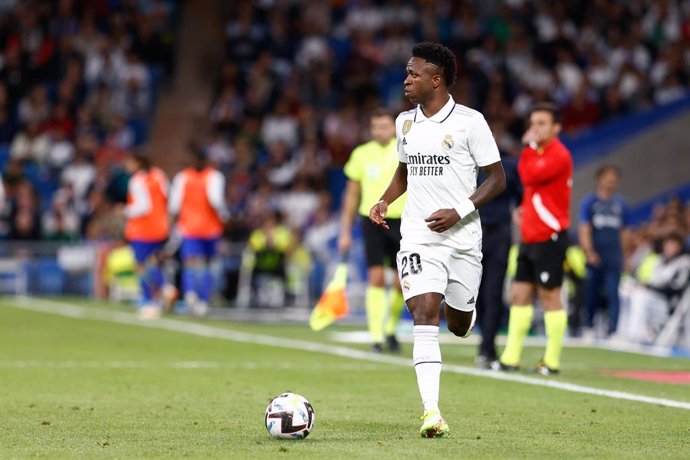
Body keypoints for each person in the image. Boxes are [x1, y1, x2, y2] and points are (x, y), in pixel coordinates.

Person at [369, 42, 505, 438]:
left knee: (459, 324)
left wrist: (459, 211)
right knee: (424, 311)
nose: (406, 79)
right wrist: (384, 200)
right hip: (417, 236)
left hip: (463, 238)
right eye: (407, 73)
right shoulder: (404, 123)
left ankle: (465, 311)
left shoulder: (470, 122)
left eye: (413, 73)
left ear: (437, 78)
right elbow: (404, 171)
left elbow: (497, 179)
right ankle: (432, 412)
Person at [494, 102, 573, 376]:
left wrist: (527, 148)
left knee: (550, 297)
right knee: (519, 295)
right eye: (533, 123)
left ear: (556, 128)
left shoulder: (558, 155)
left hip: (549, 238)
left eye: (541, 123)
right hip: (530, 236)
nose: (535, 128)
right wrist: (525, 211)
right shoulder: (539, 153)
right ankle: (510, 358)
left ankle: (552, 361)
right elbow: (537, 192)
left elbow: (527, 175)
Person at [338, 108, 407, 353]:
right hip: (371, 221)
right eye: (376, 126)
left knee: (402, 282)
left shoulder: (405, 149)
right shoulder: (361, 154)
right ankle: (377, 336)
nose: (381, 131)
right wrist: (345, 231)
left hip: (403, 220)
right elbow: (351, 194)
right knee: (376, 278)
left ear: (394, 128)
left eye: (385, 126)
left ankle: (390, 328)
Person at [474, 150, 522, 369]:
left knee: (493, 291)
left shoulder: (509, 166)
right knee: (476, 293)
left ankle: (487, 344)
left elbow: (521, 196)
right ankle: (486, 342)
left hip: (499, 234)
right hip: (473, 233)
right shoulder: (468, 163)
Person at [169, 144, 228, 316]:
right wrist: (226, 217)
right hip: (209, 228)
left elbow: (174, 204)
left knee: (192, 263)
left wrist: (172, 224)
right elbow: (216, 201)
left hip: (190, 228)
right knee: (207, 264)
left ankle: (191, 295)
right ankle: (201, 300)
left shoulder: (183, 177)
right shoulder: (215, 176)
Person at [578, 165, 631, 338]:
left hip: (613, 257)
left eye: (614, 179)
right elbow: (584, 228)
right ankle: (588, 326)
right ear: (599, 179)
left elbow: (624, 232)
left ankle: (613, 331)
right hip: (595, 256)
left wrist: (625, 256)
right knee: (591, 293)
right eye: (608, 178)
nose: (611, 182)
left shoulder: (621, 204)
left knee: (613, 293)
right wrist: (589, 251)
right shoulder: (590, 202)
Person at [122, 153, 173, 319]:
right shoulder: (159, 175)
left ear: (137, 162)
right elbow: (167, 197)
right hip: (160, 227)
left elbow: (143, 206)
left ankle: (151, 300)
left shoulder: (137, 180)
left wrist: (124, 210)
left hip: (142, 230)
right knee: (153, 262)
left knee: (141, 265)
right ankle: (163, 290)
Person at [624, 232, 690, 344]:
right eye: (668, 245)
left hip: (668, 304)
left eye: (673, 245)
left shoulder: (684, 263)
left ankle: (633, 336)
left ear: (679, 247)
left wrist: (648, 287)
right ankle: (624, 333)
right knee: (626, 292)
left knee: (640, 297)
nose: (670, 248)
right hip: (654, 299)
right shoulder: (659, 260)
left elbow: (674, 289)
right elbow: (653, 281)